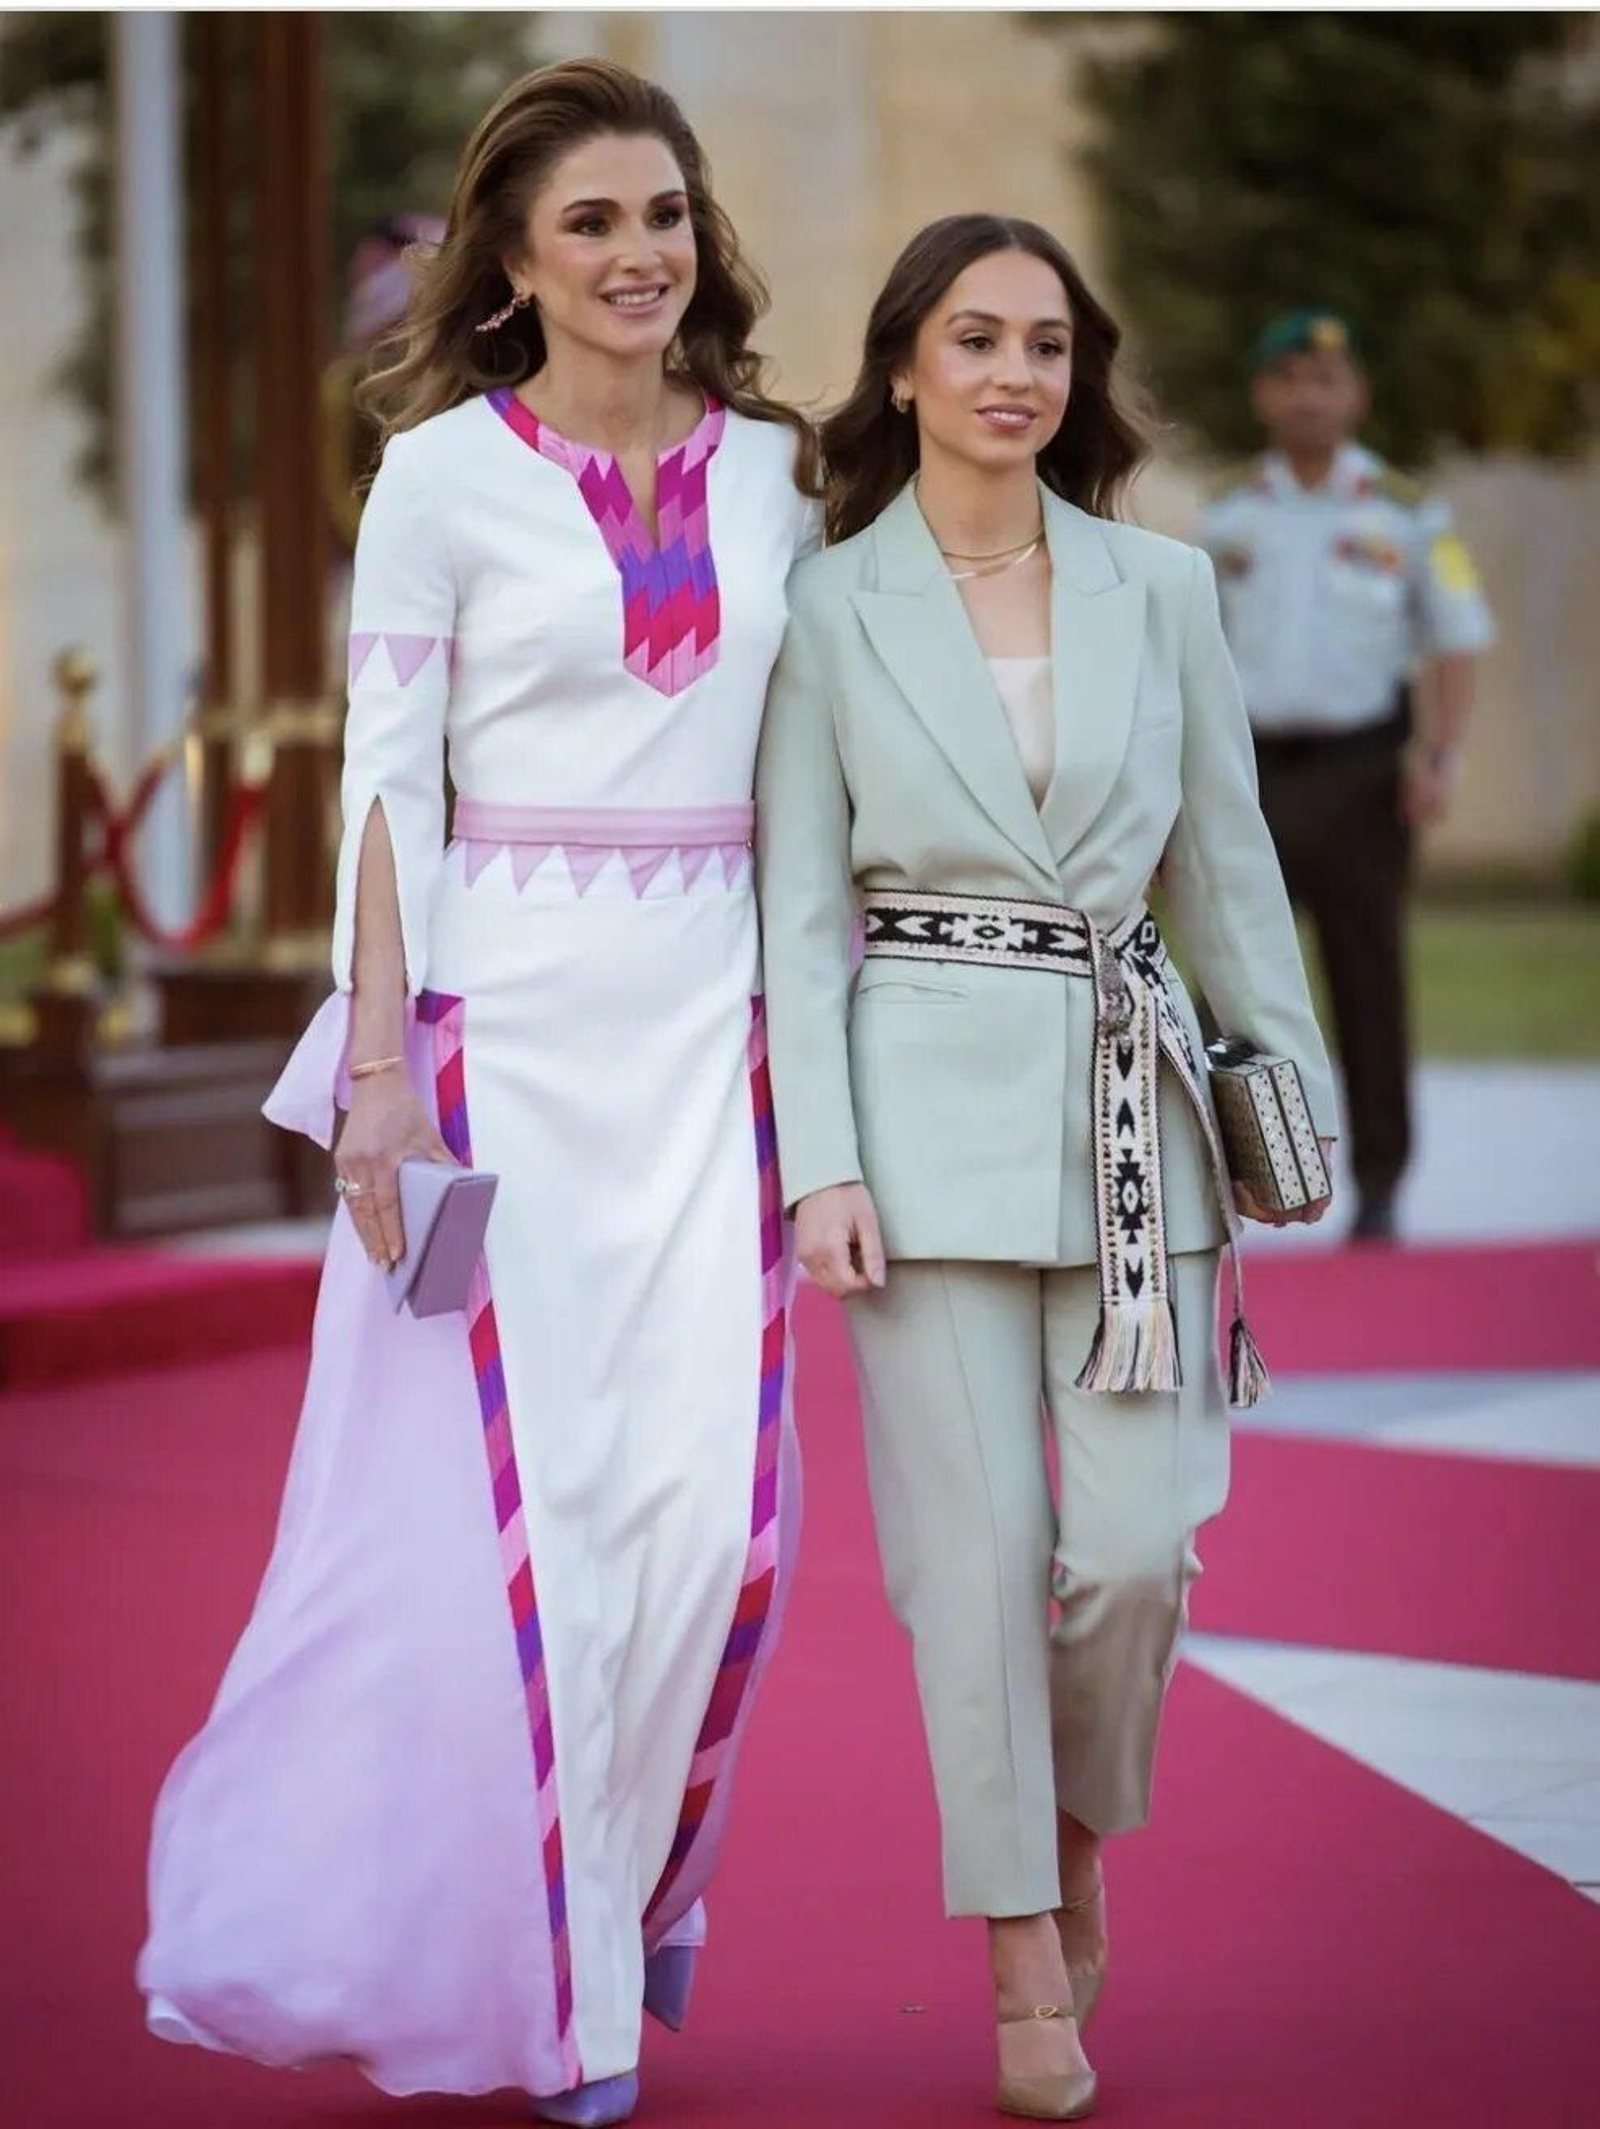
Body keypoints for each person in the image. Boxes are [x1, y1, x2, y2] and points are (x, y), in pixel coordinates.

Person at [138, 60, 819, 2129]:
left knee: (711, 1521)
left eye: (661, 213)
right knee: (561, 1522)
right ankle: (578, 1985)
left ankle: (616, 1891)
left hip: (716, 1046)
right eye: (589, 222)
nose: (638, 252)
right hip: (503, 1045)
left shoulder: (778, 470)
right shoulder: (440, 475)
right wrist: (373, 1073)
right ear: (509, 265)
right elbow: (386, 788)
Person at [755, 216, 1334, 2122]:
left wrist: (1288, 1093)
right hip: (917, 1133)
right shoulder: (827, 607)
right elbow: (800, 911)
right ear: (903, 364)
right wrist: (818, 1161)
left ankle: (1078, 1826)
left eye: (1048, 344)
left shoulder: (1162, 584)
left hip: (1136, 1119)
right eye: (975, 338)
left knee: (1136, 1555)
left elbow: (1227, 867)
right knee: (976, 1562)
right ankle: (1016, 1932)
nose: (1015, 372)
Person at [1199, 309, 1496, 1241]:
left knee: (1368, 980)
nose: (1307, 396)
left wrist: (1439, 756)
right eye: (1288, 379)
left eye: (1325, 380)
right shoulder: (1230, 512)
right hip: (1252, 775)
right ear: (1263, 396)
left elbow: (1457, 640)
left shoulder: (1408, 512)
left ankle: (1377, 1183)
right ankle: (1226, 1168)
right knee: (1231, 978)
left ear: (1355, 394)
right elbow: (1191, 648)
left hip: (1365, 769)